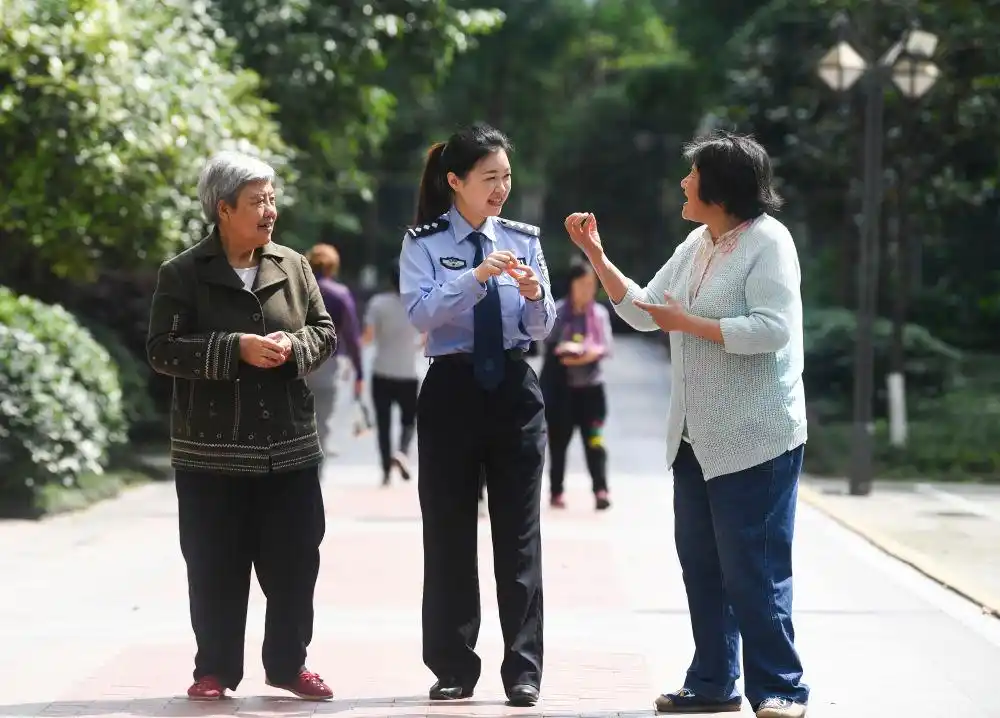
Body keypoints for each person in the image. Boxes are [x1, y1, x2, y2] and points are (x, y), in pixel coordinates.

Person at [564, 130, 809, 718]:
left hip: (758, 438)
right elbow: (646, 311)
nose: (683, 182)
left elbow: (773, 328)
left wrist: (691, 323)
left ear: (719, 188)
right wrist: (596, 254)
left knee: (755, 568)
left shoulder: (769, 242)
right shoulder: (699, 242)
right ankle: (711, 682)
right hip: (695, 437)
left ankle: (780, 687)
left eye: (692, 174)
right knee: (701, 565)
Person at [146, 151, 336, 701]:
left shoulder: (294, 266)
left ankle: (287, 665)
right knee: (213, 567)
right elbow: (161, 350)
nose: (270, 210)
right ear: (223, 209)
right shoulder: (182, 273)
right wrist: (236, 349)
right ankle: (215, 670)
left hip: (289, 449)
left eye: (272, 198)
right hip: (211, 456)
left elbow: (324, 331)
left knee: (296, 564)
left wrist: (292, 347)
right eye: (257, 201)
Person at [398, 122, 556, 707]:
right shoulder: (423, 242)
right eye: (489, 178)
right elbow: (419, 314)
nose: (500, 189)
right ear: (455, 182)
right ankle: (452, 666)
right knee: (448, 533)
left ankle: (523, 669)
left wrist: (536, 295)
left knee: (519, 536)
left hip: (514, 390)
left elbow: (541, 328)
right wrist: (475, 278)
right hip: (452, 391)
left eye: (506, 177)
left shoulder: (524, 238)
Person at [539, 260, 614, 510]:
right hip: (562, 392)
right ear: (571, 285)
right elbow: (549, 343)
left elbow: (604, 346)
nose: (587, 289)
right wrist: (568, 350)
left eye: (591, 284)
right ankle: (556, 491)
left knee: (595, 442)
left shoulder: (600, 315)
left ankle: (601, 489)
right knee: (558, 444)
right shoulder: (558, 312)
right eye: (582, 284)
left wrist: (584, 353)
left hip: (591, 392)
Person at [361, 259, 422, 485]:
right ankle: (403, 452)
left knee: (383, 423)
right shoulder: (418, 303)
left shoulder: (378, 303)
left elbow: (368, 337)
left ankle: (386, 471)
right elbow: (427, 336)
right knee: (409, 420)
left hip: (382, 371)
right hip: (409, 372)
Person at [304, 243, 364, 459]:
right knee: (321, 426)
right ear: (332, 267)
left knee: (298, 427)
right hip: (327, 365)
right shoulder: (340, 294)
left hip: (296, 362)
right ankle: (316, 481)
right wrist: (359, 372)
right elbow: (352, 337)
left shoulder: (297, 290)